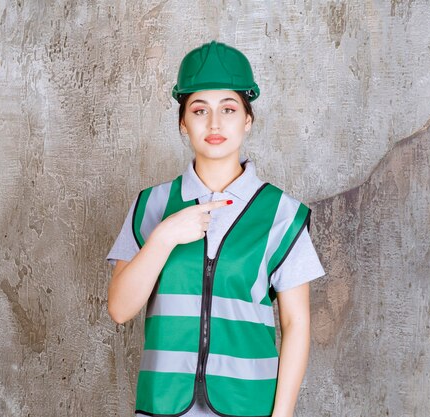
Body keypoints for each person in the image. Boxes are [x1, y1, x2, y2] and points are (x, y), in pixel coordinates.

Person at [106, 40, 326, 417]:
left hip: (248, 406)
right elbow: (120, 309)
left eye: (228, 108)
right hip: (163, 404)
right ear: (182, 123)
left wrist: (283, 414)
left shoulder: (281, 214)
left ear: (247, 120)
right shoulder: (151, 206)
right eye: (199, 110)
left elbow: (296, 323)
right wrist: (164, 237)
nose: (214, 123)